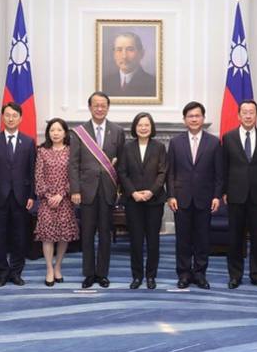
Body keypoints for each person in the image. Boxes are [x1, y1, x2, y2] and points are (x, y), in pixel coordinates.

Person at [69, 91, 125, 289]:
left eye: (103, 105)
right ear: (90, 107)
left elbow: (122, 164)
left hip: (108, 191)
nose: (100, 108)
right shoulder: (79, 132)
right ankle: (88, 273)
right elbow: (73, 164)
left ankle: (102, 273)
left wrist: (120, 189)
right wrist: (75, 190)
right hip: (86, 191)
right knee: (87, 234)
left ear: (108, 107)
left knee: (104, 234)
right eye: (96, 105)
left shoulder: (117, 131)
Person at [167, 101, 223, 290]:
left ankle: (200, 274)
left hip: (205, 198)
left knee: (202, 239)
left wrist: (216, 196)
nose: (194, 119)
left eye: (197, 115)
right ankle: (183, 273)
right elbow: (170, 172)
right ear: (184, 120)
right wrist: (171, 195)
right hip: (181, 199)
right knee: (182, 239)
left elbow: (218, 173)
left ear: (203, 118)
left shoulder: (214, 142)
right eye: (190, 116)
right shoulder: (175, 142)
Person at [0, 102, 35, 287]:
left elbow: (32, 172)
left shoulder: (28, 142)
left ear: (20, 118)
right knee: (1, 237)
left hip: (21, 197)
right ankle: (2, 273)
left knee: (20, 237)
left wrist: (31, 196)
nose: (11, 119)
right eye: (7, 115)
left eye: (14, 115)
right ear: (2, 118)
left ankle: (16, 272)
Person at [222, 100, 257, 290]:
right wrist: (224, 191)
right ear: (238, 115)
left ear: (256, 115)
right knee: (235, 238)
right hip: (235, 194)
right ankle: (235, 275)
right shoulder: (228, 138)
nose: (248, 116)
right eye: (245, 112)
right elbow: (223, 167)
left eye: (252, 112)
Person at [117, 112, 167, 290]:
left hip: (155, 201)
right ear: (135, 128)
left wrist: (151, 192)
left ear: (151, 127)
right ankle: (137, 276)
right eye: (140, 125)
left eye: (146, 125)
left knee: (153, 241)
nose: (143, 128)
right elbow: (122, 172)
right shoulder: (127, 147)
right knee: (136, 241)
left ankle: (151, 276)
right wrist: (133, 193)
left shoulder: (160, 147)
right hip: (133, 201)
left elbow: (163, 173)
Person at [35, 118, 80, 286]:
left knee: (63, 235)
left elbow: (74, 175)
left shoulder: (71, 151)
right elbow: (38, 177)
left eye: (59, 130)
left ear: (65, 133)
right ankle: (48, 269)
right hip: (47, 201)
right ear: (48, 133)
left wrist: (61, 194)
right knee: (47, 236)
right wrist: (48, 196)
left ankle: (58, 267)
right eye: (52, 130)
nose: (55, 133)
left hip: (65, 200)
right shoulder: (42, 151)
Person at [102, 32, 156, 97]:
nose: (124, 56)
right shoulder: (105, 82)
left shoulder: (153, 84)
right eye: (119, 50)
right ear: (114, 54)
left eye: (130, 50)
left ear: (141, 54)